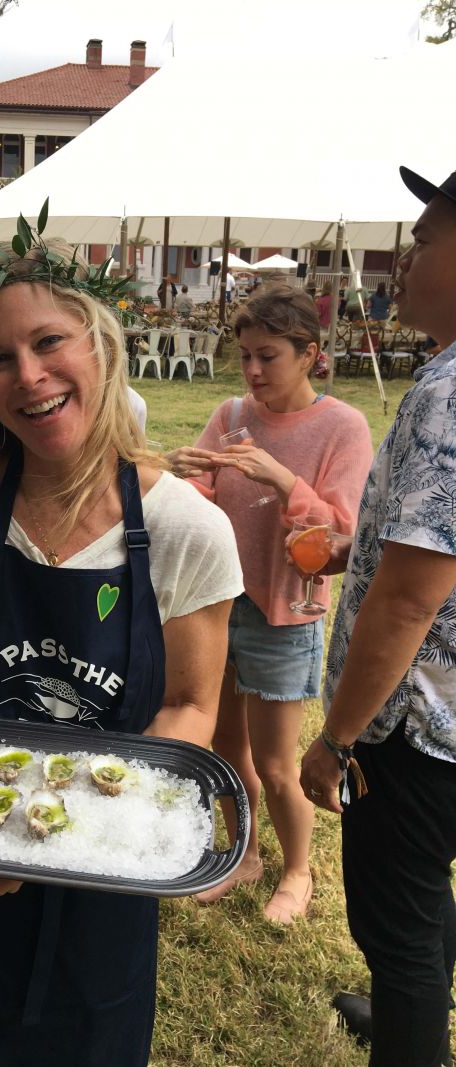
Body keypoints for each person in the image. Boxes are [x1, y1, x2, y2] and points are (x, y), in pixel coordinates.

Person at [0, 231, 243, 1066]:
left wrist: (75, 837)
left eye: (49, 341)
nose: (27, 375)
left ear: (101, 346)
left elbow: (189, 704)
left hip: (97, 882)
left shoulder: (186, 531)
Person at [300, 164, 456, 1066]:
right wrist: (359, 546)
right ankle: (419, 997)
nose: (404, 255)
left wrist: (340, 738)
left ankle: (412, 1018)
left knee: (391, 917)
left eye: (427, 237)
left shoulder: (447, 391)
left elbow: (408, 600)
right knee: (423, 892)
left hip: (414, 725)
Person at [167, 285, 373, 923]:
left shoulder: (342, 426)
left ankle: (298, 872)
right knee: (227, 748)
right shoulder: (232, 414)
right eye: (245, 356)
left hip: (285, 617)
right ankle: (245, 852)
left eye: (268, 357)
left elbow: (339, 534)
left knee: (278, 764)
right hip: (219, 604)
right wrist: (181, 478)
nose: (252, 372)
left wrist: (281, 480)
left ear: (310, 355)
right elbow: (202, 500)